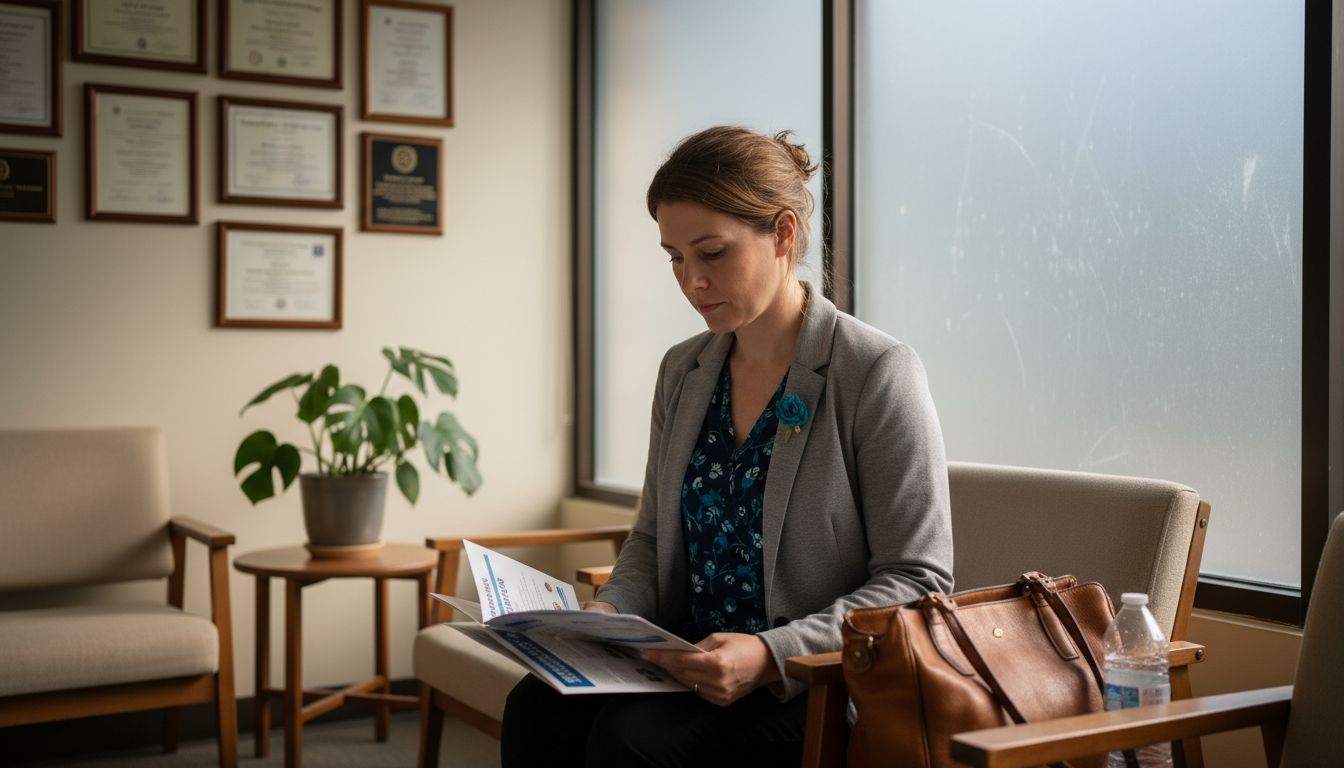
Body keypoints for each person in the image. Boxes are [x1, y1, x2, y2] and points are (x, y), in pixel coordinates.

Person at [500, 125, 953, 767]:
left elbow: (918, 577)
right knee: (535, 708)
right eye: (675, 258)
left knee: (627, 742)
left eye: (711, 253)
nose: (692, 281)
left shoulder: (874, 371)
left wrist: (769, 654)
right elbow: (653, 538)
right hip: (690, 658)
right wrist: (606, 617)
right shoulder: (684, 372)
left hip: (811, 678)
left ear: (784, 234)